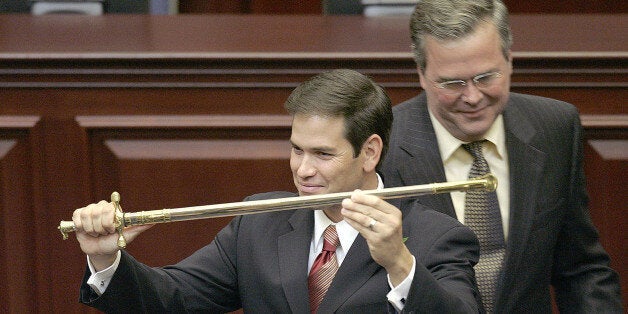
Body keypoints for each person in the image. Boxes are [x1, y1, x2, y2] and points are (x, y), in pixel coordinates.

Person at [72, 69, 482, 313]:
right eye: (296, 149)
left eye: (323, 154)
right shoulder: (259, 221)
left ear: (370, 152)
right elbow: (173, 300)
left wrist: (400, 265)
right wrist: (107, 259)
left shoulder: (436, 237)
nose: (303, 170)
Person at [381, 0, 623, 313]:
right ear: (422, 74)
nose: (472, 96)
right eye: (453, 83)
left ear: (510, 61)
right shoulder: (383, 144)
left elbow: (580, 269)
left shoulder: (555, 127)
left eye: (486, 77)